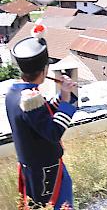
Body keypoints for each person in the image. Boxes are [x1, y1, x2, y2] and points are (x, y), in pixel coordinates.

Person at [7, 24, 76, 210]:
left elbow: (39, 117)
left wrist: (62, 95)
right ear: (44, 69)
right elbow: (53, 132)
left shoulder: (15, 92)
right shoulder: (31, 97)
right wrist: (67, 103)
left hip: (32, 169)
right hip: (47, 171)